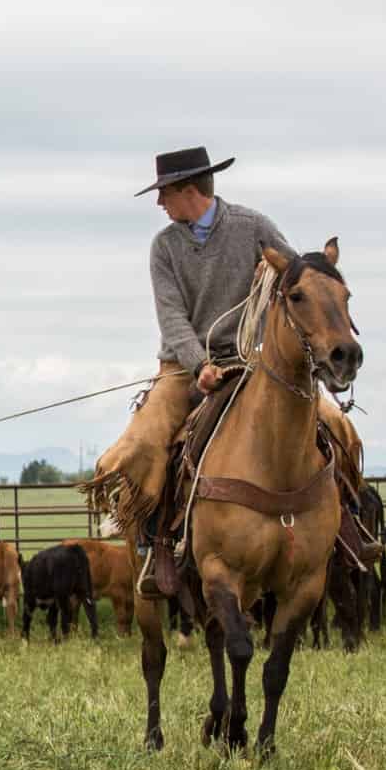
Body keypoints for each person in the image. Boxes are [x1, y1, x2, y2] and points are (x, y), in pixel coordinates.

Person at [90, 147, 294, 551]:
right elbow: (171, 317)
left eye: (164, 193)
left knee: (325, 422)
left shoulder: (254, 227)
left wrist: (275, 270)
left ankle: (346, 525)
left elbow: (298, 278)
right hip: (181, 369)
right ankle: (150, 531)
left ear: (188, 190)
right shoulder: (164, 246)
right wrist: (198, 363)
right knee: (143, 440)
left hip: (250, 360)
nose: (160, 202)